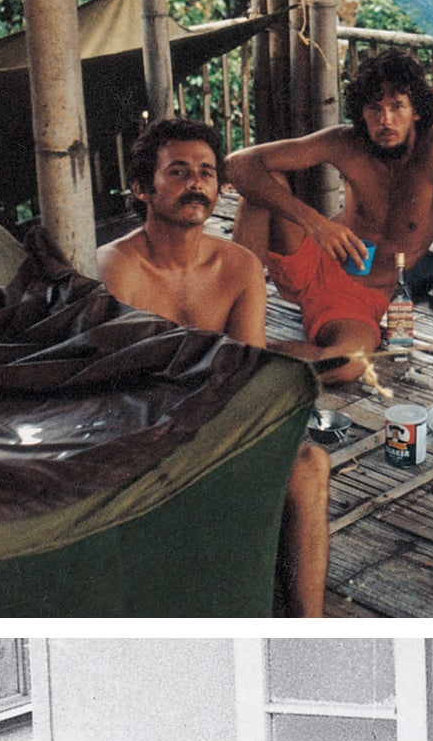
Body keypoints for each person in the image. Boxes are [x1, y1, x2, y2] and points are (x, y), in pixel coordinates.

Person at [98, 116, 331, 617]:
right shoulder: (116, 267)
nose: (196, 183)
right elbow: (117, 385)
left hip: (215, 423)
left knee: (311, 466)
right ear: (143, 188)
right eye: (178, 172)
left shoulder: (238, 266)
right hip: (140, 435)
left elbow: (246, 371)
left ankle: (308, 628)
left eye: (205, 172)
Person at [225, 48, 433, 385]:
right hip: (308, 258)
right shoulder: (345, 142)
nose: (386, 120)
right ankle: (231, 316)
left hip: (358, 298)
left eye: (397, 107)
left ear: (417, 111)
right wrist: (316, 223)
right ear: (361, 113)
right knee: (260, 188)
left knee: (345, 365)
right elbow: (237, 164)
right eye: (374, 108)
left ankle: (243, 352)